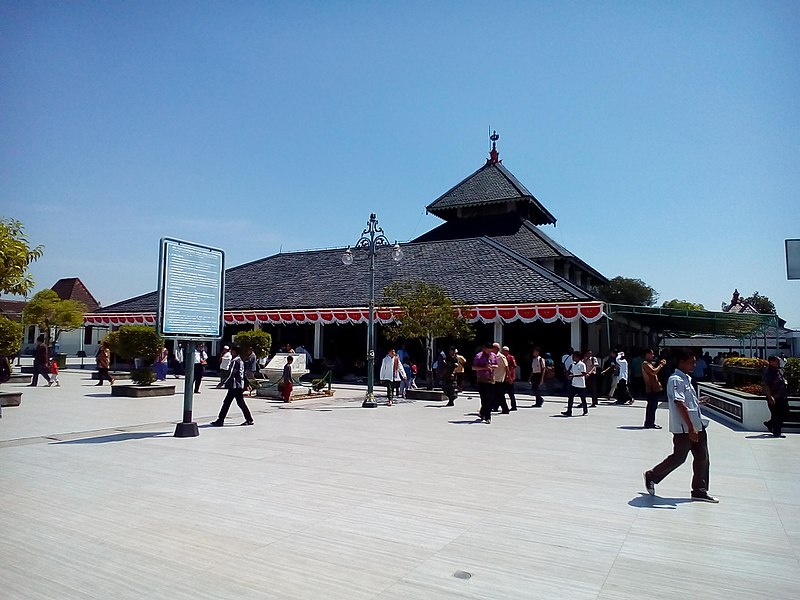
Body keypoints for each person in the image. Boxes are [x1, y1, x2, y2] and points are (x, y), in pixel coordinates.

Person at [644, 348, 718, 503]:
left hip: (698, 426)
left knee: (702, 459)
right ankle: (652, 475)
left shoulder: (686, 379)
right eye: (691, 362)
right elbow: (679, 403)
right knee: (679, 458)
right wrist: (691, 428)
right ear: (681, 362)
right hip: (685, 429)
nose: (694, 364)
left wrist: (698, 402)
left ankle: (699, 490)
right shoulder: (676, 380)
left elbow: (687, 402)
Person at [210, 345, 253, 426]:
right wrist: (246, 384)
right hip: (238, 385)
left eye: (232, 351)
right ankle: (248, 419)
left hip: (235, 385)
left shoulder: (235, 361)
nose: (231, 352)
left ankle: (221, 420)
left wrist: (222, 382)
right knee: (237, 403)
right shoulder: (240, 361)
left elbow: (231, 373)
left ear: (235, 352)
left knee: (229, 402)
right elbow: (243, 374)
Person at [763, 355, 788, 437]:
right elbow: (766, 385)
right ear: (771, 362)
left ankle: (770, 424)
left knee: (784, 412)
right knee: (777, 415)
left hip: (782, 396)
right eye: (777, 361)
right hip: (774, 396)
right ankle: (777, 432)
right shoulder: (769, 372)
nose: (778, 362)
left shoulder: (778, 370)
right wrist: (770, 397)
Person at [642, 349, 667, 429]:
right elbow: (653, 371)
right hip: (651, 389)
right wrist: (661, 365)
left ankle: (650, 422)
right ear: (647, 354)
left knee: (653, 406)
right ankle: (649, 423)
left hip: (654, 388)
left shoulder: (649, 363)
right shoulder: (645, 364)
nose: (653, 356)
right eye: (651, 354)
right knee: (651, 406)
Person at [473, 343, 497, 423]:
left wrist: (492, 366)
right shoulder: (478, 356)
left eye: (491, 349)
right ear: (484, 348)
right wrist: (484, 368)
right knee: (484, 398)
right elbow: (474, 367)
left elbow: (496, 365)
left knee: (490, 398)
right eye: (488, 349)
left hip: (491, 379)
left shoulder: (493, 355)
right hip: (482, 379)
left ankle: (482, 412)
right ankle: (488, 417)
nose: (489, 351)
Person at [562, 350, 588, 417]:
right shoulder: (573, 365)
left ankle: (585, 410)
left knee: (583, 398)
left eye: (575, 356)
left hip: (581, 385)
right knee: (570, 398)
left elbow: (584, 374)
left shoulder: (582, 364)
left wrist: (573, 376)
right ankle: (569, 411)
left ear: (578, 357)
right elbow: (571, 372)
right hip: (574, 384)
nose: (573, 358)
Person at [492, 343, 510, 414]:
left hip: (499, 378)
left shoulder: (501, 357)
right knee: (495, 394)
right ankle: (495, 407)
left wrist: (508, 376)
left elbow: (506, 367)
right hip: (493, 378)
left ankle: (505, 408)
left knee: (500, 394)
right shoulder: (492, 356)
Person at [501, 345, 518, 411]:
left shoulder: (511, 357)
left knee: (511, 393)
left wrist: (509, 376)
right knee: (501, 393)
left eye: (504, 351)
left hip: (510, 377)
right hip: (503, 377)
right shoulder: (502, 357)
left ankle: (514, 406)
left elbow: (513, 367)